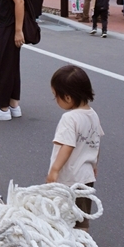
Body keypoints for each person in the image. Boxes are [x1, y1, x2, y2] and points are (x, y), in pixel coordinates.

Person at [47, 65, 103, 230]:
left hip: (70, 177)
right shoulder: (93, 115)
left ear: (68, 97)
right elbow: (95, 142)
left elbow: (67, 146)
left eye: (55, 96)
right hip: (86, 176)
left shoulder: (69, 118)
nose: (55, 100)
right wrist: (94, 165)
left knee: (64, 215)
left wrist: (55, 170)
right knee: (82, 216)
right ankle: (84, 244)